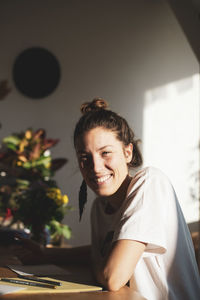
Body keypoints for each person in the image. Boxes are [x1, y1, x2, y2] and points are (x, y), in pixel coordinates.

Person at [14, 98, 200, 299]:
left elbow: (112, 276)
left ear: (127, 152)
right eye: (85, 157)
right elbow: (101, 254)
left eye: (106, 153)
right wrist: (46, 253)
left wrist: (100, 262)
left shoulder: (150, 183)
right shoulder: (99, 207)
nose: (95, 167)